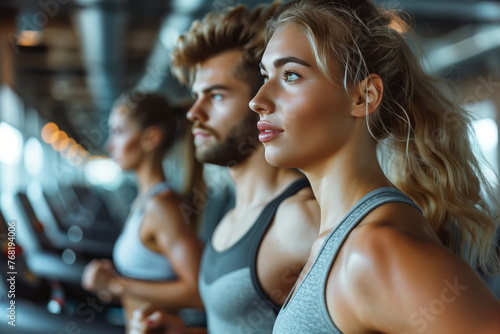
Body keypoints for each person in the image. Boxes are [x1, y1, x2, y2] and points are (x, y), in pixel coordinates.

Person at [248, 0, 500, 333]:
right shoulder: (339, 240)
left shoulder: (374, 250)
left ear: (364, 97)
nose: (258, 100)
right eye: (266, 76)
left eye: (291, 75)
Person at [129, 2, 320, 334]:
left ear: (262, 100)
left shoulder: (302, 220)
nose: (194, 113)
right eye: (196, 96)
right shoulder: (232, 214)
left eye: (216, 96)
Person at [81, 93, 204, 331]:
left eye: (118, 131)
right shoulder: (146, 201)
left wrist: (117, 284)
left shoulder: (161, 206)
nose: (110, 144)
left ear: (150, 138)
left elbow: (199, 293)